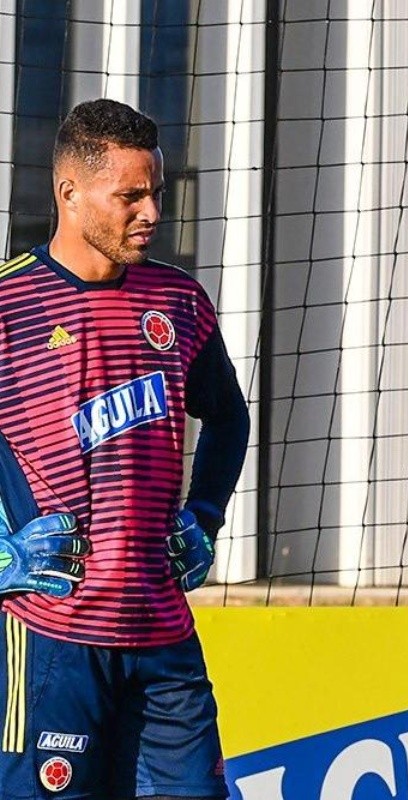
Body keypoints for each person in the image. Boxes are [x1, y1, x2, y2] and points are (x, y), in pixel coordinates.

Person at [0, 99, 249, 799]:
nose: (151, 213)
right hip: (52, 637)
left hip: (163, 636)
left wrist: (204, 515)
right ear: (70, 193)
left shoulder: (180, 302)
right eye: (130, 195)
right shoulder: (9, 305)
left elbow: (228, 419)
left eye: (156, 194)